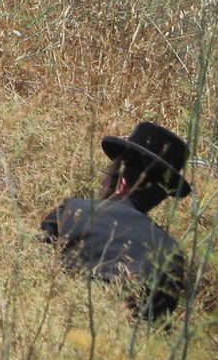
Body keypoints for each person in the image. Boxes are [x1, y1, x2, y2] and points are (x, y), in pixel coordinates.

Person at [40, 122, 193, 320]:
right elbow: (154, 326)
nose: (103, 182)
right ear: (161, 197)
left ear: (121, 184)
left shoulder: (71, 211)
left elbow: (32, 266)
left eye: (107, 175)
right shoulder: (170, 252)